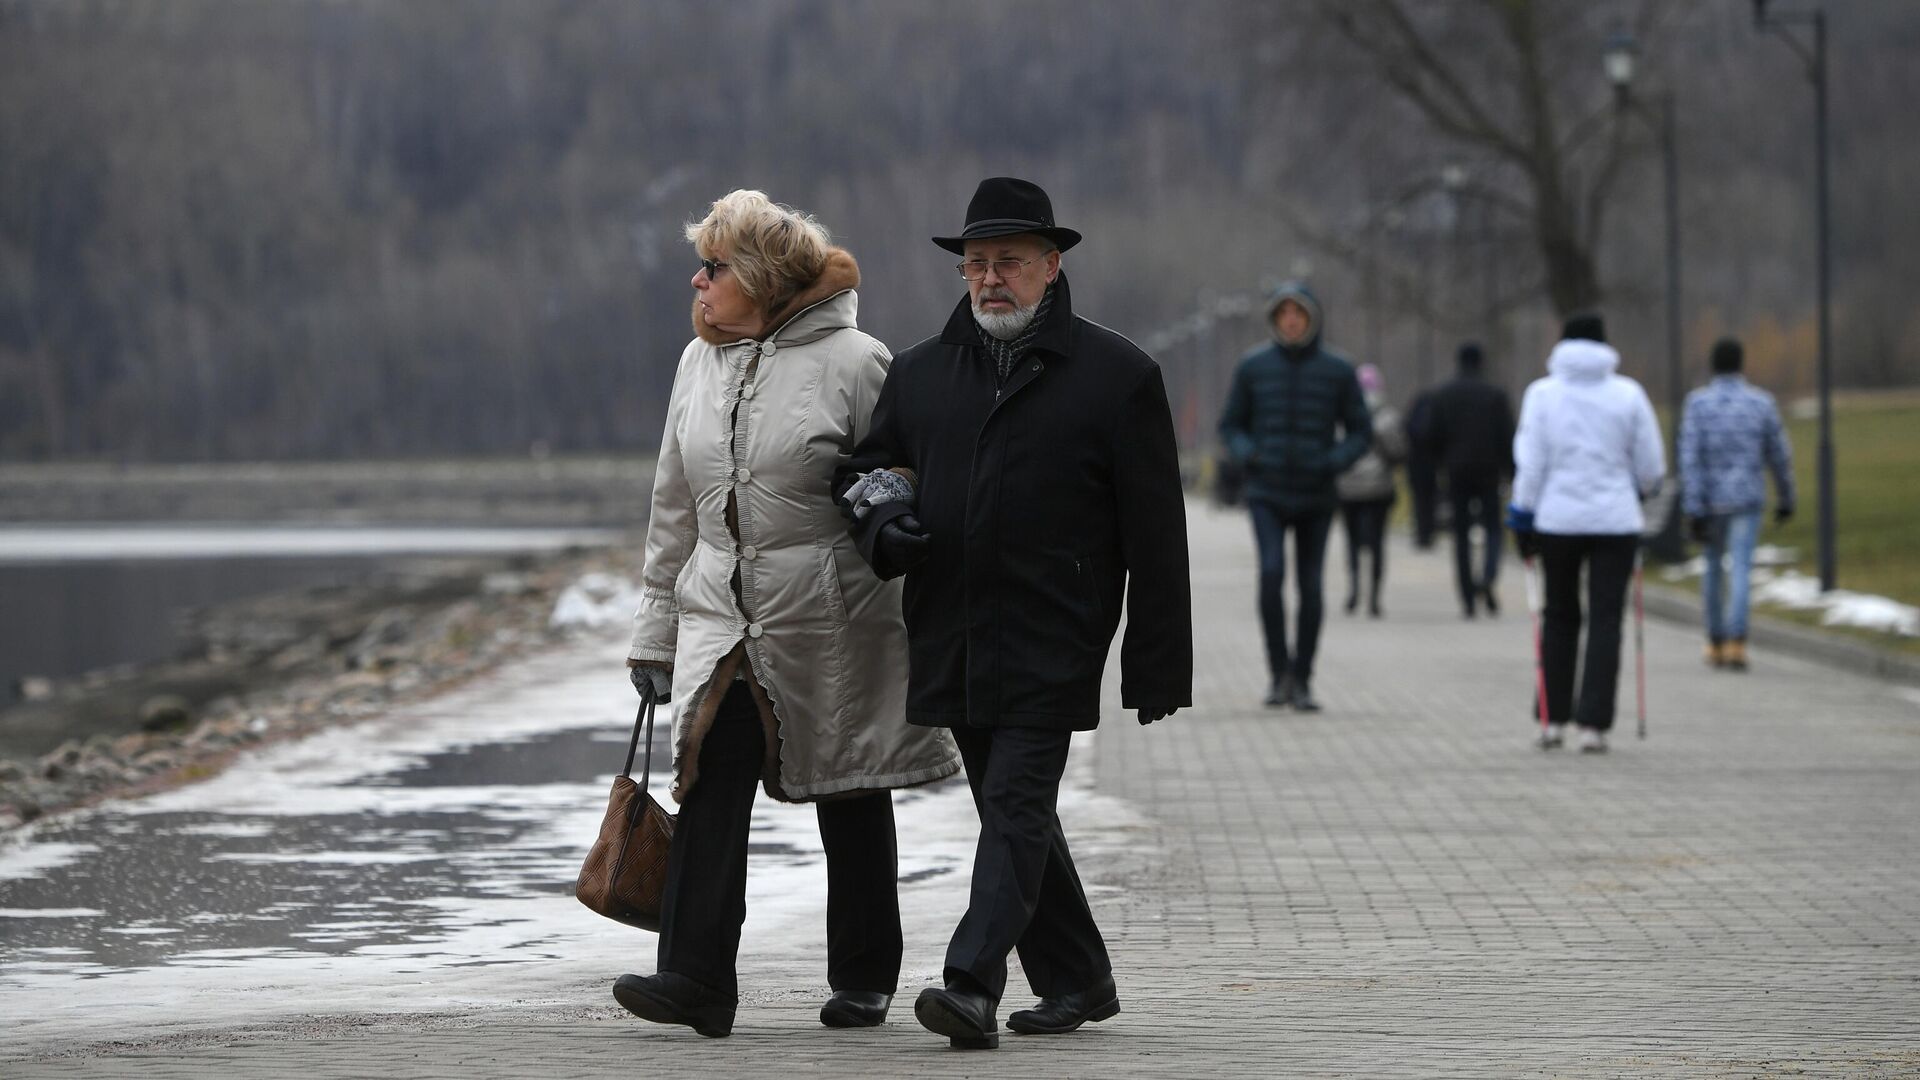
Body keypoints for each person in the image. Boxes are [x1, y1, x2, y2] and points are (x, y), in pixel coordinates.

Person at [839, 177, 1192, 1050]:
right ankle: (1078, 978)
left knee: (1020, 801)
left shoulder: (1118, 376)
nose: (990, 279)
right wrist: (886, 521)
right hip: (951, 625)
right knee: (1011, 810)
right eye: (976, 264)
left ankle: (970, 983)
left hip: (1057, 630)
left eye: (1009, 263)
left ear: (1051, 266)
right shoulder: (920, 372)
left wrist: (1156, 663)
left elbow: (1158, 534)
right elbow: (865, 473)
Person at [615, 190, 961, 1038]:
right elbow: (674, 507)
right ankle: (696, 979)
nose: (697, 282)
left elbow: (902, 481)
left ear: (763, 279)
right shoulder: (696, 365)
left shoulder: (857, 361)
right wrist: (655, 633)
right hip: (720, 611)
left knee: (849, 780)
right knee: (707, 775)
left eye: (714, 267)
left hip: (834, 612)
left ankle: (865, 976)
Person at [1507, 313, 1665, 754]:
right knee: (1606, 619)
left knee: (1558, 615)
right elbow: (1651, 466)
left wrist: (1522, 514)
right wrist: (1638, 489)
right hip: (1616, 522)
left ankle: (1552, 718)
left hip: (1557, 520)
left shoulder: (1542, 394)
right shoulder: (1628, 394)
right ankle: (1593, 725)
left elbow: (1531, 463)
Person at [1218, 282, 1372, 711]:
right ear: (1274, 319)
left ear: (1311, 319)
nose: (1291, 321)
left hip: (1316, 493)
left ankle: (1302, 679)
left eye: (1298, 314)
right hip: (1267, 490)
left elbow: (1362, 430)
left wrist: (1333, 460)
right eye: (1283, 313)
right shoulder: (1253, 367)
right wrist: (1251, 455)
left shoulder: (1338, 370)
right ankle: (1276, 673)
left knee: (1311, 586)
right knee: (1270, 574)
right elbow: (1230, 425)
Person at [1679, 337, 1795, 671]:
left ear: (1713, 365)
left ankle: (1714, 639)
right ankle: (1736, 640)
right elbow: (1778, 453)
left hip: (1710, 501)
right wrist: (1786, 495)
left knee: (1713, 568)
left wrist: (1693, 505)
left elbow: (1690, 458)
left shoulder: (1698, 405)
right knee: (1741, 566)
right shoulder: (1760, 403)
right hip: (1747, 498)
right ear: (1741, 364)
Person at [1427, 342, 1516, 618]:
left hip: (1456, 472)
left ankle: (1467, 597)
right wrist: (1511, 472)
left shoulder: (1443, 394)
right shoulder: (1495, 395)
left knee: (1462, 535)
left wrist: (1441, 465)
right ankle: (1487, 577)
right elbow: (1507, 436)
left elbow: (1432, 435)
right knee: (1493, 529)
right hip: (1490, 471)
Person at [1334, 363, 1406, 618]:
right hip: (1378, 489)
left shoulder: (1340, 417)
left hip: (1347, 488)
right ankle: (1374, 597)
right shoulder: (1388, 417)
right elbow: (1398, 452)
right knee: (1376, 544)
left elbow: (1335, 450)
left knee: (1352, 543)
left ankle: (1354, 591)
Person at [1404, 387, 1443, 550]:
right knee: (1431, 501)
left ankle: (1421, 533)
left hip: (1415, 465)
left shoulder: (1412, 419)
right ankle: (1429, 533)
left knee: (1419, 501)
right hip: (1431, 467)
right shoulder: (1435, 421)